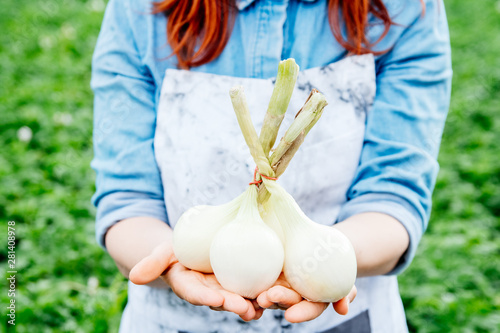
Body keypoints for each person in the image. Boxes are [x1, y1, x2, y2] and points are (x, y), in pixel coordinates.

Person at [90, 0, 451, 331]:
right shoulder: (139, 8)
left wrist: (318, 266)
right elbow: (127, 201)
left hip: (346, 321)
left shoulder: (403, 7)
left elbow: (393, 197)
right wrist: (172, 259)